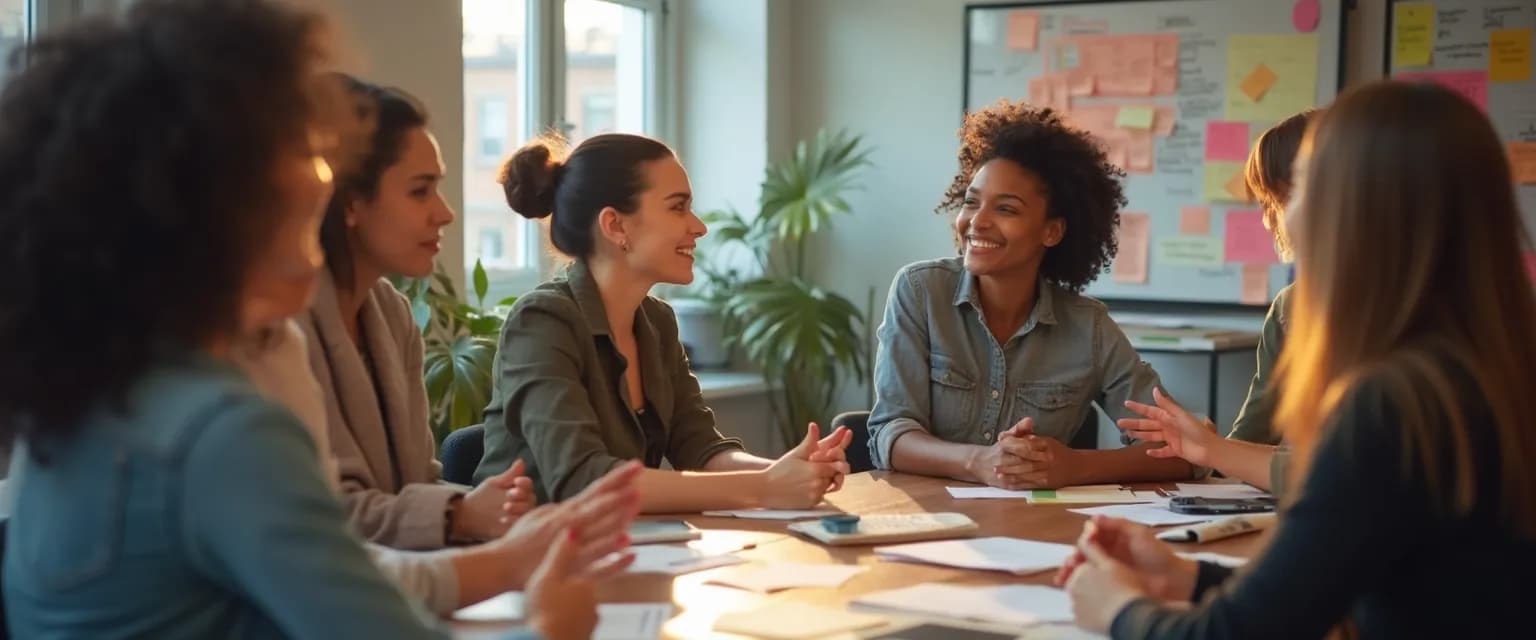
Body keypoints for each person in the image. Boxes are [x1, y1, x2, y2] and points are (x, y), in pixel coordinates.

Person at [1058, 81, 1536, 639]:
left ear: (1357, 210)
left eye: (1303, 183)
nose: (1277, 216)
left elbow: (1234, 635)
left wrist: (1114, 607)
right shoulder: (1488, 370)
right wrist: (1187, 577)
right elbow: (1374, 592)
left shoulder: (1393, 405)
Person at [477, 132, 854, 511]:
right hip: (526, 543)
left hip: (623, 539)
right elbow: (584, 480)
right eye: (678, 207)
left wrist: (785, 472)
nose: (699, 227)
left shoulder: (657, 322)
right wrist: (764, 487)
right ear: (615, 226)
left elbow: (700, 448)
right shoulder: (541, 322)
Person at [867, 101, 1193, 489]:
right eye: (971, 201)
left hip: (1034, 521)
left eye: (1006, 209)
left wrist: (1075, 466)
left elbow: (1183, 449)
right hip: (928, 517)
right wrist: (978, 462)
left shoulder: (1087, 328)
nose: (977, 221)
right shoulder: (921, 292)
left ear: (1051, 232)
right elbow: (891, 434)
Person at [302, 75, 533, 549]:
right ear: (351, 202)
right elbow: (316, 520)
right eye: (420, 191)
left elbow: (417, 484)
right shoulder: (284, 326)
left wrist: (493, 510)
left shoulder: (392, 313)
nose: (445, 213)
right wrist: (461, 514)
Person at [1115, 110, 1317, 493]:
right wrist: (1209, 452)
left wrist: (1214, 451)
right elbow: (1253, 435)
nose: (1268, 220)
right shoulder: (1291, 308)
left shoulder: (1404, 314)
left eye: (1277, 199)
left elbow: (1345, 471)